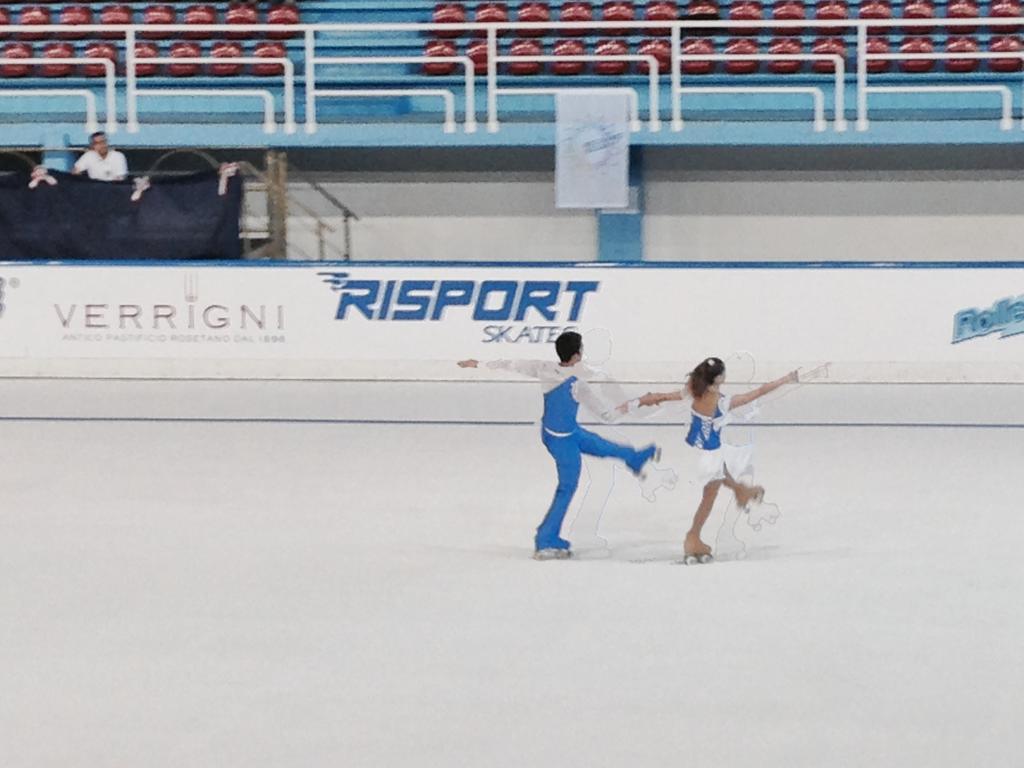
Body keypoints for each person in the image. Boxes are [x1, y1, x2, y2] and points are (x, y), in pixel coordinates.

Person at [458, 331, 660, 560]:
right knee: (567, 487)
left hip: (562, 431)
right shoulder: (578, 384)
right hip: (561, 440)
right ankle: (545, 539)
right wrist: (636, 403)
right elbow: (607, 416)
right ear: (576, 355)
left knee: (601, 445)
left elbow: (511, 364)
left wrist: (477, 363)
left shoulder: (543, 367)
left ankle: (633, 458)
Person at [633, 357, 798, 560]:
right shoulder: (723, 402)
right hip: (711, 454)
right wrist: (785, 379)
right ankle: (693, 537)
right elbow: (758, 392)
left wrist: (647, 399)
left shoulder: (693, 389)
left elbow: (668, 396)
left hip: (703, 451)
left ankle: (742, 492)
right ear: (719, 378)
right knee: (709, 498)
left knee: (723, 476)